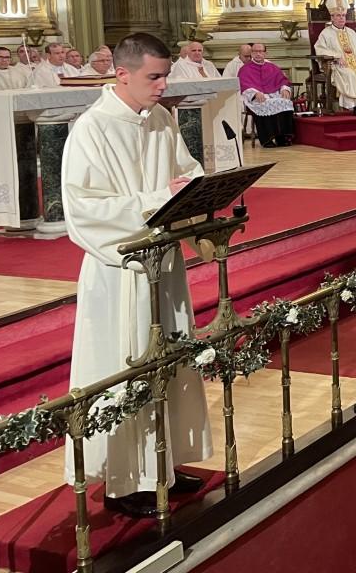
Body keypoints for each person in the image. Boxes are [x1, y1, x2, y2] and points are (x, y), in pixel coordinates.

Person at [61, 33, 211, 518]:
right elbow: (82, 212)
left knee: (170, 357)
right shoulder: (92, 129)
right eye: (155, 76)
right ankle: (126, 481)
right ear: (121, 74)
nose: (165, 85)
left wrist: (196, 190)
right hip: (119, 272)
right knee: (125, 367)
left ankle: (163, 465)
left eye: (166, 74)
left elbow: (184, 172)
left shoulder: (162, 119)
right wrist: (156, 199)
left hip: (162, 263)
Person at [313, 0, 356, 114]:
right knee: (350, 73)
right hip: (337, 65)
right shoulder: (326, 33)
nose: (342, 18)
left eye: (343, 16)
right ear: (332, 18)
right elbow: (320, 49)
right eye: (338, 16)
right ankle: (355, 107)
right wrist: (336, 57)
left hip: (355, 62)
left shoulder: (351, 32)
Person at [239, 43, 296, 148]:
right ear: (251, 53)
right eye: (255, 51)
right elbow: (244, 85)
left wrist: (285, 89)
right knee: (263, 104)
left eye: (260, 51)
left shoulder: (272, 67)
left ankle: (283, 138)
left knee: (285, 102)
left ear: (265, 53)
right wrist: (255, 93)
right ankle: (267, 139)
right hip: (257, 97)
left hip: (273, 94)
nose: (258, 54)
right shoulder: (245, 69)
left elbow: (282, 80)